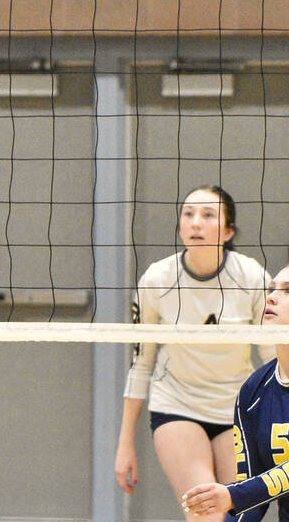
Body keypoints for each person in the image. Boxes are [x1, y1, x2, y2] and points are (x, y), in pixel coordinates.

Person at [115, 185, 273, 522]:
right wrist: (125, 442)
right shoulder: (157, 279)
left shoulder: (251, 277)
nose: (195, 223)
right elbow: (141, 363)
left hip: (237, 411)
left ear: (228, 231)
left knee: (240, 517)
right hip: (178, 406)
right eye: (188, 214)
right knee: (206, 515)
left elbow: (275, 359)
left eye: (208, 215)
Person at [181, 264, 289, 520]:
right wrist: (234, 503)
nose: (271, 297)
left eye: (288, 291)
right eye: (271, 288)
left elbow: (244, 493)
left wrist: (234, 496)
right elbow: (251, 496)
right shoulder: (254, 393)